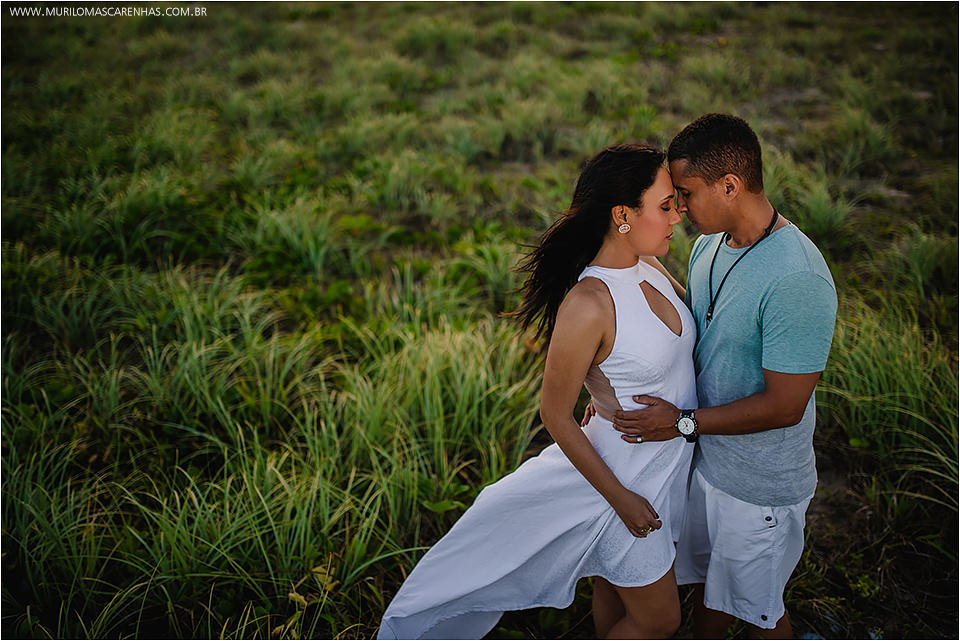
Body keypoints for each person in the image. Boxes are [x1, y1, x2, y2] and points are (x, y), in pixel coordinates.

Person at [377, 144, 697, 639]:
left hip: (665, 466)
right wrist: (621, 499)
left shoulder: (650, 267)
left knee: (616, 596)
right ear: (622, 215)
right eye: (664, 205)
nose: (678, 215)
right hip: (623, 482)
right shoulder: (589, 304)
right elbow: (555, 414)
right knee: (660, 619)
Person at [609, 114, 838, 639]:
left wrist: (682, 424)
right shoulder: (712, 244)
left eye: (687, 193)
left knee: (759, 611)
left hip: (759, 487)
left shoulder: (796, 277)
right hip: (705, 466)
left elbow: (786, 405)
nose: (680, 207)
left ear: (730, 185)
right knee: (708, 592)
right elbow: (697, 331)